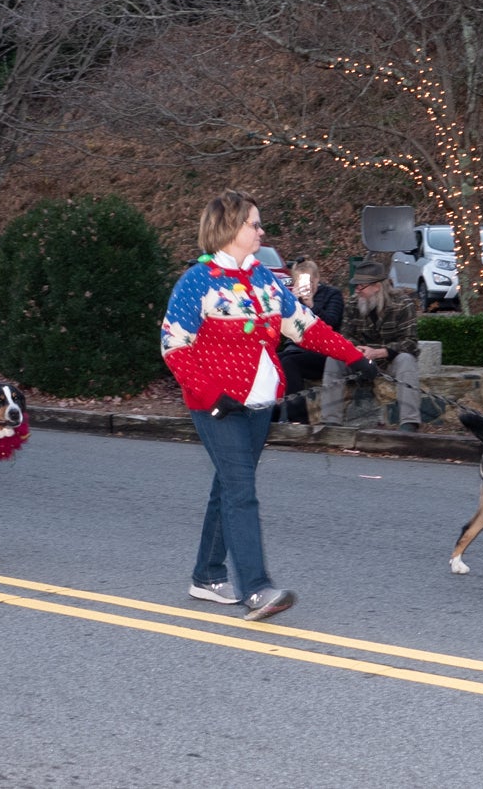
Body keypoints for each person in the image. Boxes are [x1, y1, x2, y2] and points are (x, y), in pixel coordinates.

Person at [161, 190, 374, 622]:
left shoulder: (265, 280)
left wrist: (354, 357)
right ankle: (256, 589)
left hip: (260, 404)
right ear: (228, 227)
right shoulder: (196, 283)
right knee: (241, 492)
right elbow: (174, 346)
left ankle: (205, 576)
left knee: (227, 487)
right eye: (253, 224)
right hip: (217, 407)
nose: (261, 231)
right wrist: (208, 395)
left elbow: (306, 328)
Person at [320, 261, 422, 432]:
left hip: (389, 359)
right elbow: (346, 336)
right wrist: (356, 350)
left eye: (361, 286)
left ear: (377, 286)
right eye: (356, 286)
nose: (357, 290)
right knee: (333, 359)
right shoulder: (353, 304)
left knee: (407, 360)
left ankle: (409, 422)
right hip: (359, 359)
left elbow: (410, 342)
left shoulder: (403, 304)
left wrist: (379, 352)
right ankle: (330, 422)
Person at [276, 259, 344, 424]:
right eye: (302, 281)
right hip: (295, 349)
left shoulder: (332, 295)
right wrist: (289, 304)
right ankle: (270, 417)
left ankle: (298, 419)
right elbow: (280, 329)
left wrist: (311, 305)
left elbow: (332, 323)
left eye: (310, 281)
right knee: (274, 361)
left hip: (322, 353)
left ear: (317, 279)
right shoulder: (293, 297)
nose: (307, 286)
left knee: (289, 362)